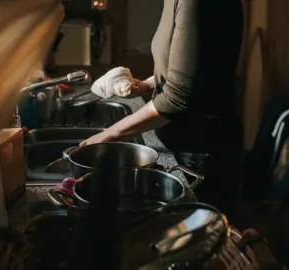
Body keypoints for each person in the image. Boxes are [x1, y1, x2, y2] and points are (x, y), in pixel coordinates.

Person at [80, 0, 244, 216]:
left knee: (198, 242)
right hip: (186, 142)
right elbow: (191, 69)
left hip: (201, 151)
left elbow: (176, 100)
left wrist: (108, 134)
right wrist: (147, 85)